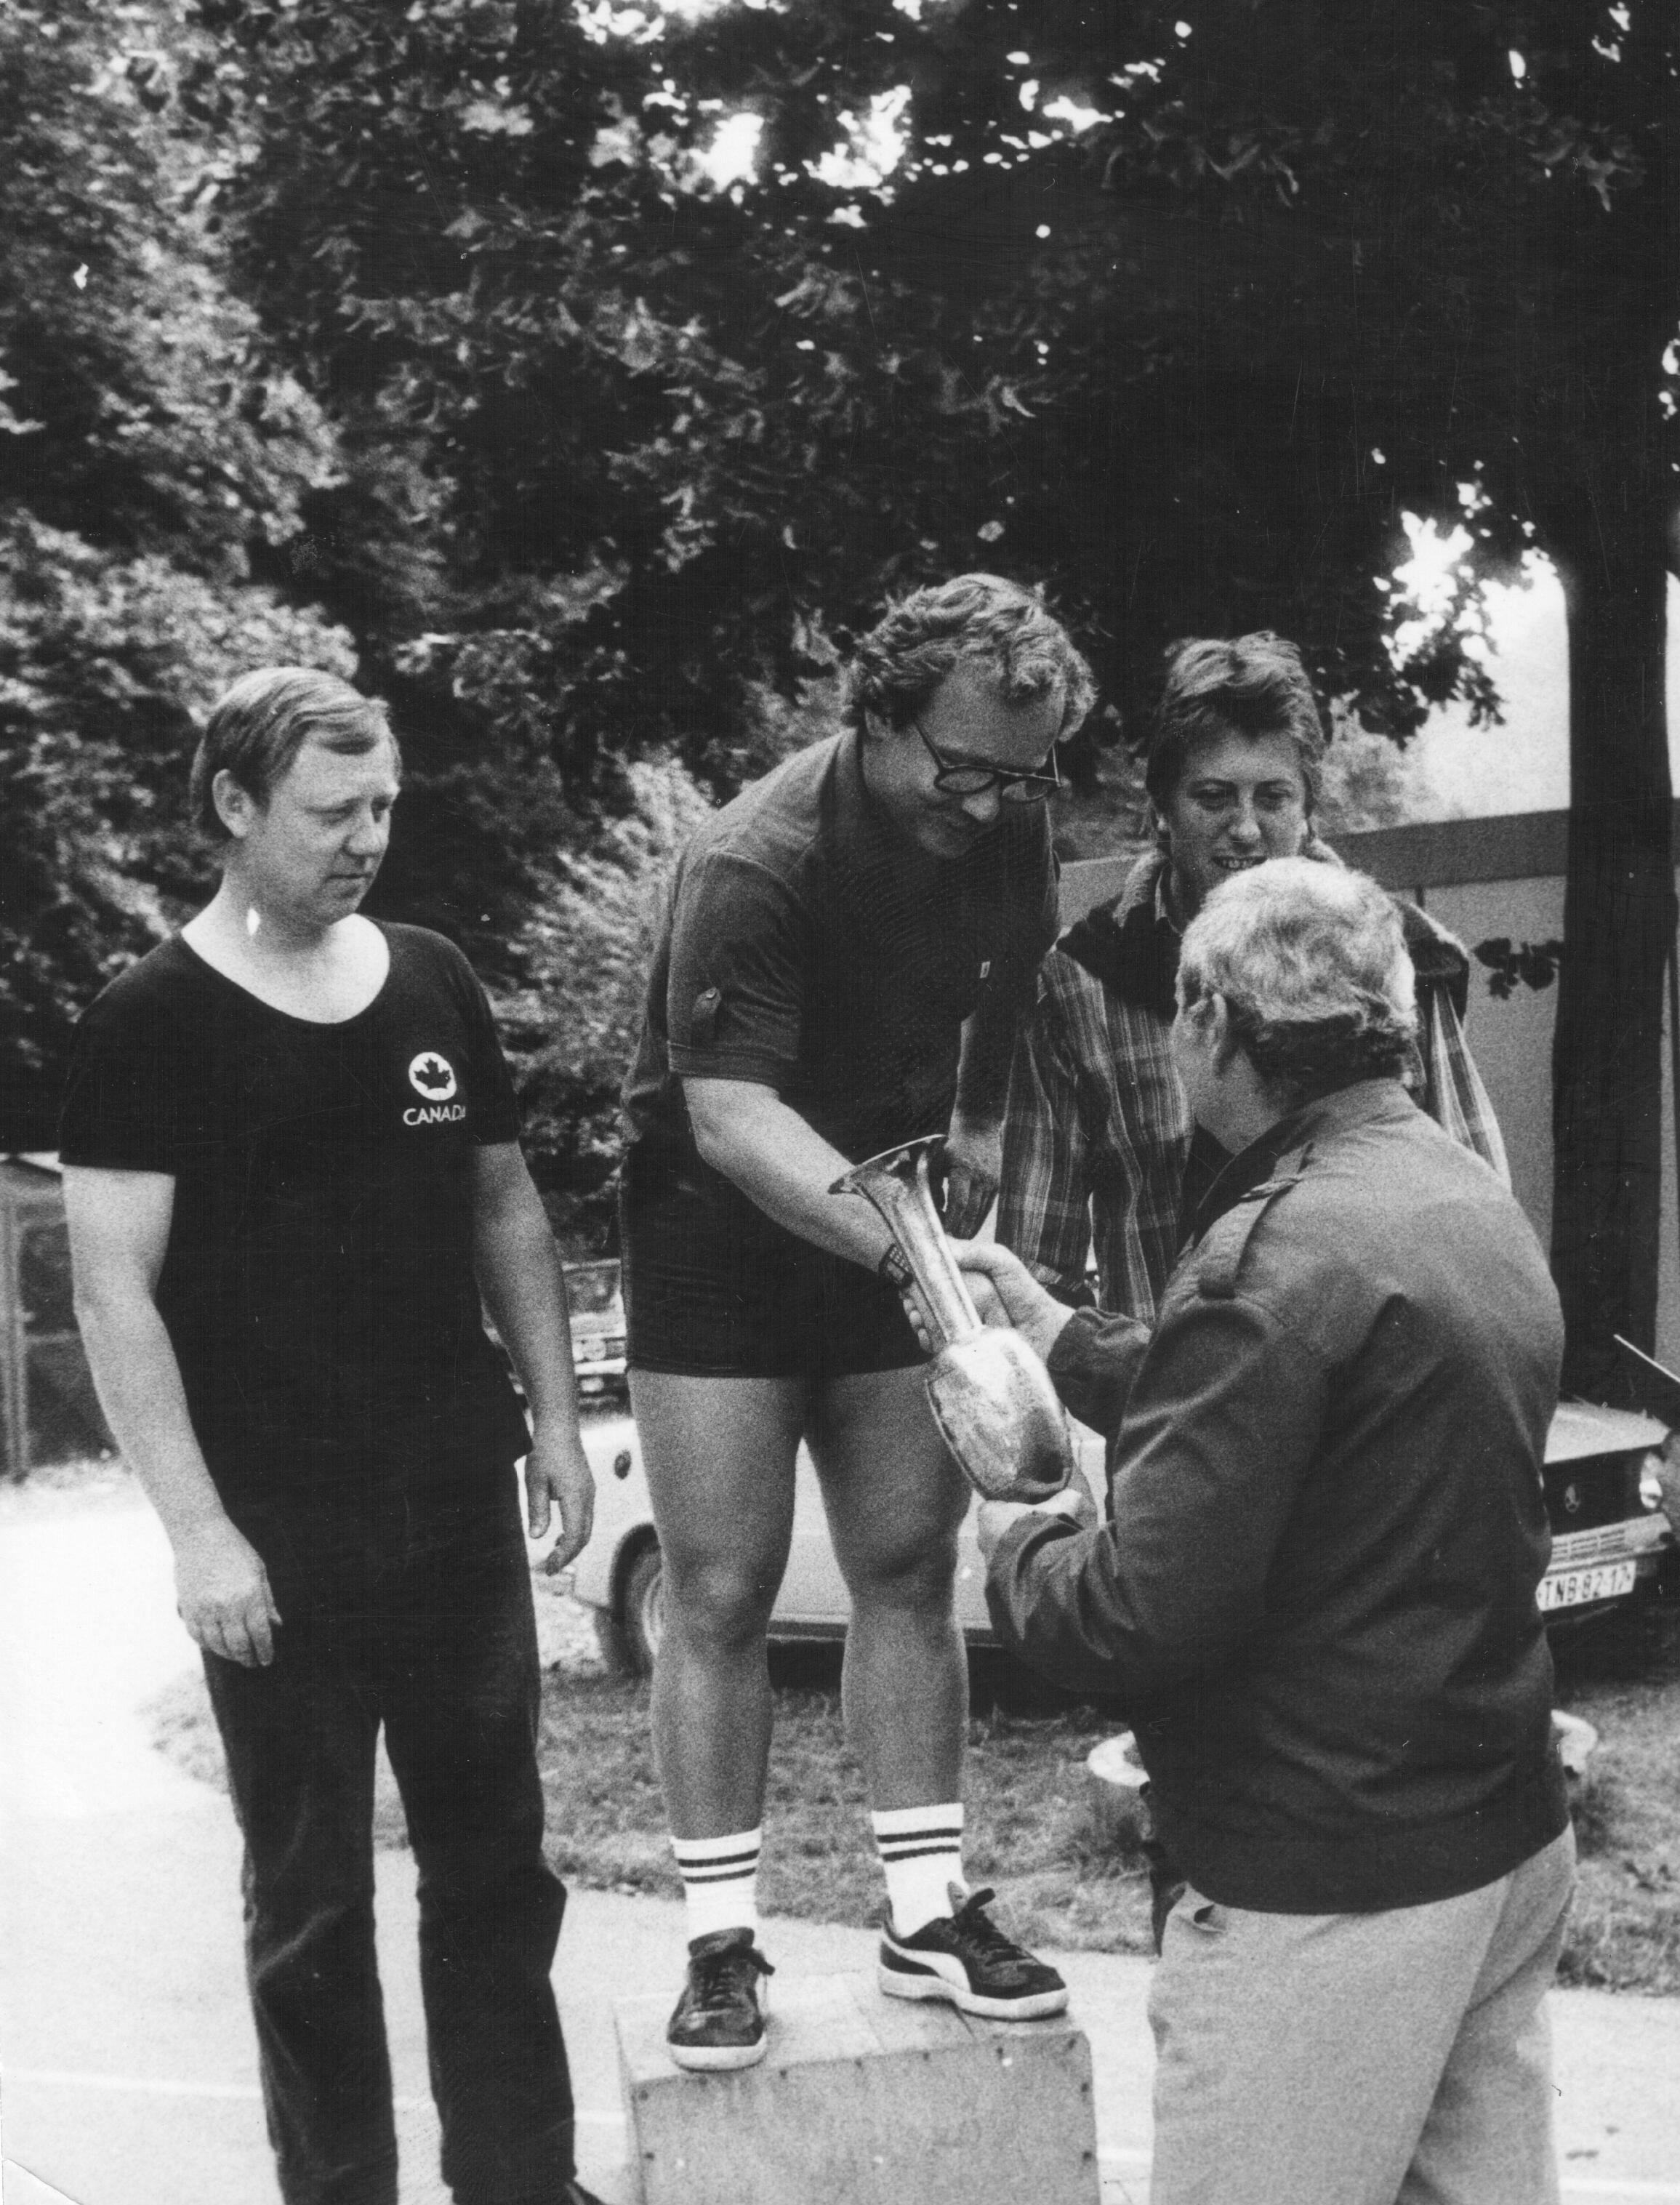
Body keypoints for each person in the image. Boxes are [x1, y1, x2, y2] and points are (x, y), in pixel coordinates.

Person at [60, 668, 602, 2205]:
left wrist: (557, 1421)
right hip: (277, 1529)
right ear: (235, 805)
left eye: (384, 806)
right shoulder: (149, 1021)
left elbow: (506, 1206)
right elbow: (112, 1295)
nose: (368, 837)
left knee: (497, 1867)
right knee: (309, 1901)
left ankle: (519, 2178)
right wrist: (197, 1532)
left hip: (452, 1499)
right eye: (332, 810)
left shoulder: (431, 975)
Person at [960, 858, 1573, 2205]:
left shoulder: (1269, 1254)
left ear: (1206, 1022)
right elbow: (1324, 1407)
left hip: (1329, 1880)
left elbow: (1134, 1619)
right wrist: (1065, 1339)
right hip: (1498, 1834)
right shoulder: (1457, 1194)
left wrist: (1017, 1528)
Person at [619, 573, 1093, 2068]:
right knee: (722, 1583)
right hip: (715, 1220)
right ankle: (719, 1942)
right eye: (963, 771)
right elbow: (733, 1117)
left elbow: (1014, 975)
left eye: (1024, 777)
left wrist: (978, 1121)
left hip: (887, 1195)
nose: (992, 804)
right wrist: (919, 1262)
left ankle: (926, 1912)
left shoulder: (1007, 807)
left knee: (902, 1558)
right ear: (878, 717)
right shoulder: (751, 859)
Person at [997, 630, 1508, 1320]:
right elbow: (1036, 1268)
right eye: (1213, 797)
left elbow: (1474, 1208)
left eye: (1272, 797)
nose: (1244, 828)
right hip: (1158, 1374)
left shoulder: (1397, 956)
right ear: (1161, 807)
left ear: (1307, 808)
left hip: (1354, 1365)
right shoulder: (1079, 981)